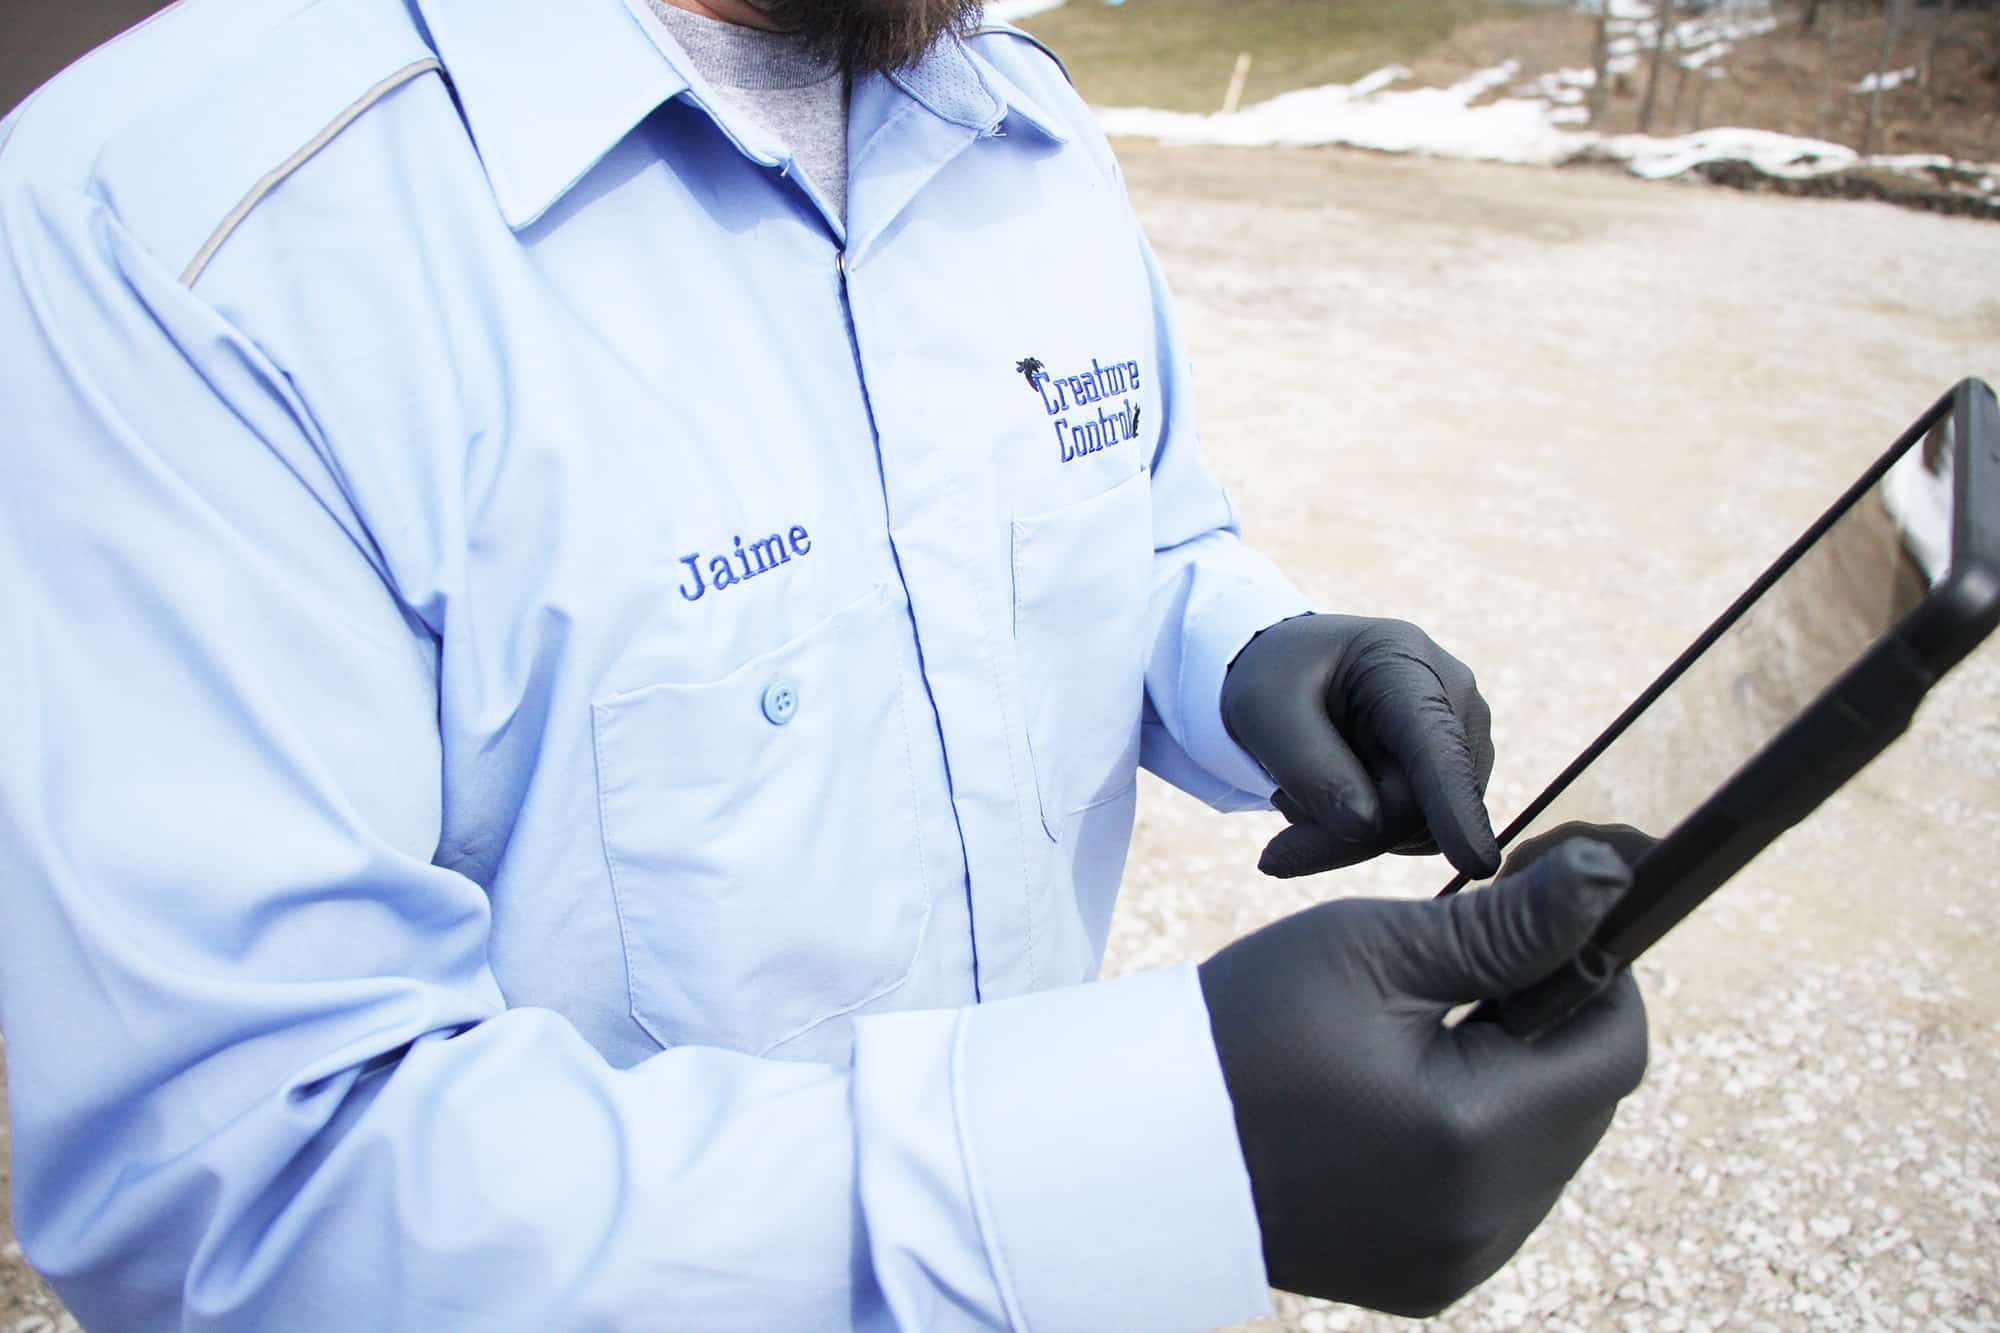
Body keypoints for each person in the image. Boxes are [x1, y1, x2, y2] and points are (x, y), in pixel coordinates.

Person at [0, 0, 1648, 1327]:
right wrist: (1156, 1144)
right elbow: (248, 1185)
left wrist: (1246, 649)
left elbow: (1132, 525)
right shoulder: (173, 232)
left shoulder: (1014, 115)